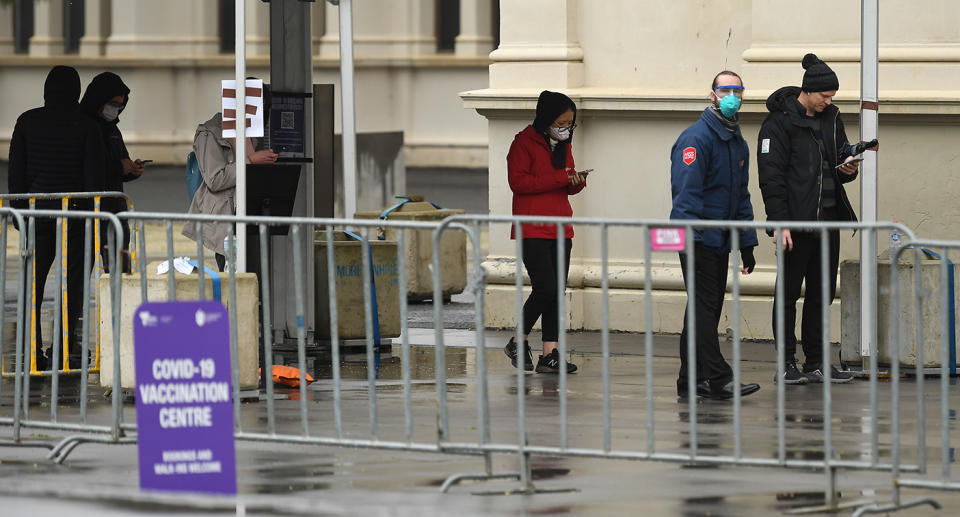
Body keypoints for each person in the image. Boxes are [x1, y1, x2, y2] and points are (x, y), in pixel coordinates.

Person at [757, 53, 876, 384]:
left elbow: (835, 165)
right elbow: (771, 178)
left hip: (828, 222)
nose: (829, 101)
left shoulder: (831, 118)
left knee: (821, 294)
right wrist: (779, 223)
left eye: (832, 96)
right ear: (807, 91)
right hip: (795, 224)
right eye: (825, 95)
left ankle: (816, 361)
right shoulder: (778, 123)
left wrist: (848, 166)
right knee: (789, 294)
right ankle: (786, 363)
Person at [670, 71, 762, 400]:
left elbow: (740, 197)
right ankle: (719, 377)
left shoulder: (735, 140)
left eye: (738, 89)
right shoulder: (696, 139)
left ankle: (691, 380)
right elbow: (687, 194)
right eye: (726, 89)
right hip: (697, 238)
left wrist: (747, 244)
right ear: (713, 94)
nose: (732, 94)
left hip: (719, 239)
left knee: (701, 309)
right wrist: (691, 238)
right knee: (704, 309)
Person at [7, 65, 105, 370]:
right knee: (73, 285)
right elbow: (93, 177)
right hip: (76, 217)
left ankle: (31, 349)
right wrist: (96, 215)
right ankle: (64, 348)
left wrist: (19, 214)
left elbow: (15, 173)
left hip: (36, 214)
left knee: (33, 285)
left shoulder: (27, 121)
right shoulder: (87, 126)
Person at [503, 90, 586, 374]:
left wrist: (576, 181)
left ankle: (549, 353)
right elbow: (520, 183)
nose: (565, 129)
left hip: (561, 226)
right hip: (532, 227)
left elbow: (566, 182)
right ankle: (518, 339)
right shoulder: (522, 143)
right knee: (545, 288)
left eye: (569, 124)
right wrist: (561, 177)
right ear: (547, 119)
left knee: (556, 293)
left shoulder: (564, 145)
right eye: (561, 123)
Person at [181, 112, 278, 271]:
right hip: (227, 217)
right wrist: (251, 161)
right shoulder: (210, 132)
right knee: (233, 274)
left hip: (253, 212)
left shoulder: (252, 131)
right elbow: (215, 179)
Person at [80, 71, 145, 273]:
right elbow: (82, 166)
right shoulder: (81, 126)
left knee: (119, 270)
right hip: (86, 211)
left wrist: (132, 170)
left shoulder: (113, 129)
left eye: (119, 106)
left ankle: (117, 305)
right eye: (113, 104)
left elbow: (119, 162)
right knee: (81, 270)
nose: (115, 110)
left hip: (114, 210)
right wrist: (119, 167)